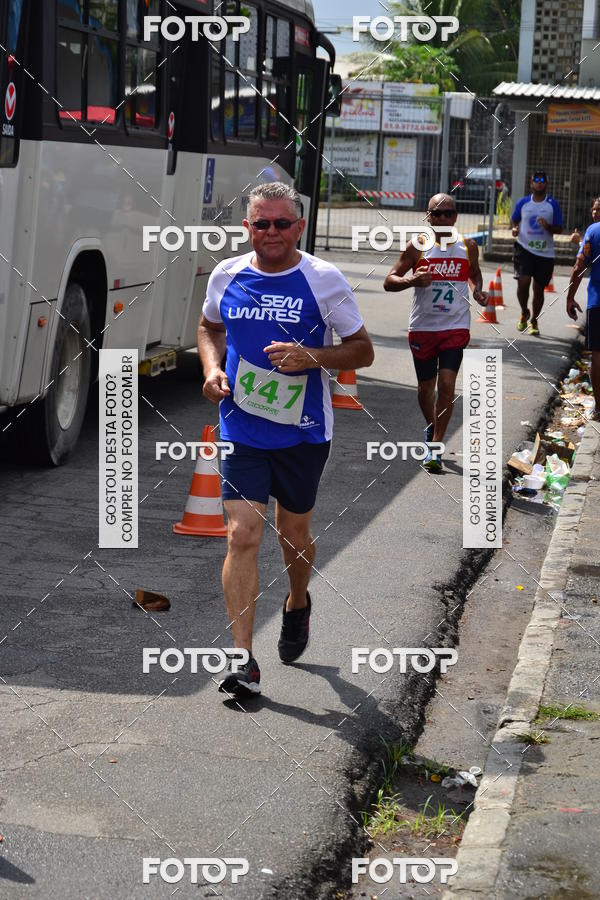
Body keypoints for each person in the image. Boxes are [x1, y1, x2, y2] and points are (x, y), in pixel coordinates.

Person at [197, 182, 374, 696]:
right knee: (242, 534)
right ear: (247, 227)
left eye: (281, 223)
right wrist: (211, 369)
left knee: (292, 534)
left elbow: (362, 351)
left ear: (298, 227)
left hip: (303, 432)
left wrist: (313, 356)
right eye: (260, 223)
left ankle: (298, 601)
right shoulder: (227, 274)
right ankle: (241, 660)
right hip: (242, 426)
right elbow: (209, 328)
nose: (270, 232)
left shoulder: (323, 280)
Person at [383, 193, 487, 473]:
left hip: (455, 327)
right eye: (436, 214)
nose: (442, 218)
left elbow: (474, 273)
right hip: (423, 328)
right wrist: (411, 280)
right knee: (425, 389)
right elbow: (389, 281)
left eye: (448, 213)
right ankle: (432, 426)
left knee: (448, 386)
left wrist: (477, 290)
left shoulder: (468, 246)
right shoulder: (417, 246)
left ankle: (436, 448)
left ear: (456, 217)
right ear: (428, 217)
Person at [511, 171, 563, 336]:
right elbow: (514, 220)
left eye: (542, 181)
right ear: (531, 183)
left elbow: (559, 228)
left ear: (547, 184)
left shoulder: (552, 204)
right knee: (523, 282)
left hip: (544, 253)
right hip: (524, 249)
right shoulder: (523, 202)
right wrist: (515, 228)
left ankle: (534, 320)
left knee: (539, 289)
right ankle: (524, 311)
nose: (539, 183)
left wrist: (547, 226)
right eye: (536, 180)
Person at [565, 210, 600, 421]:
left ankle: (598, 407)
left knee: (598, 354)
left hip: (598, 302)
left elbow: (579, 266)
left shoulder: (593, 231)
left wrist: (570, 297)